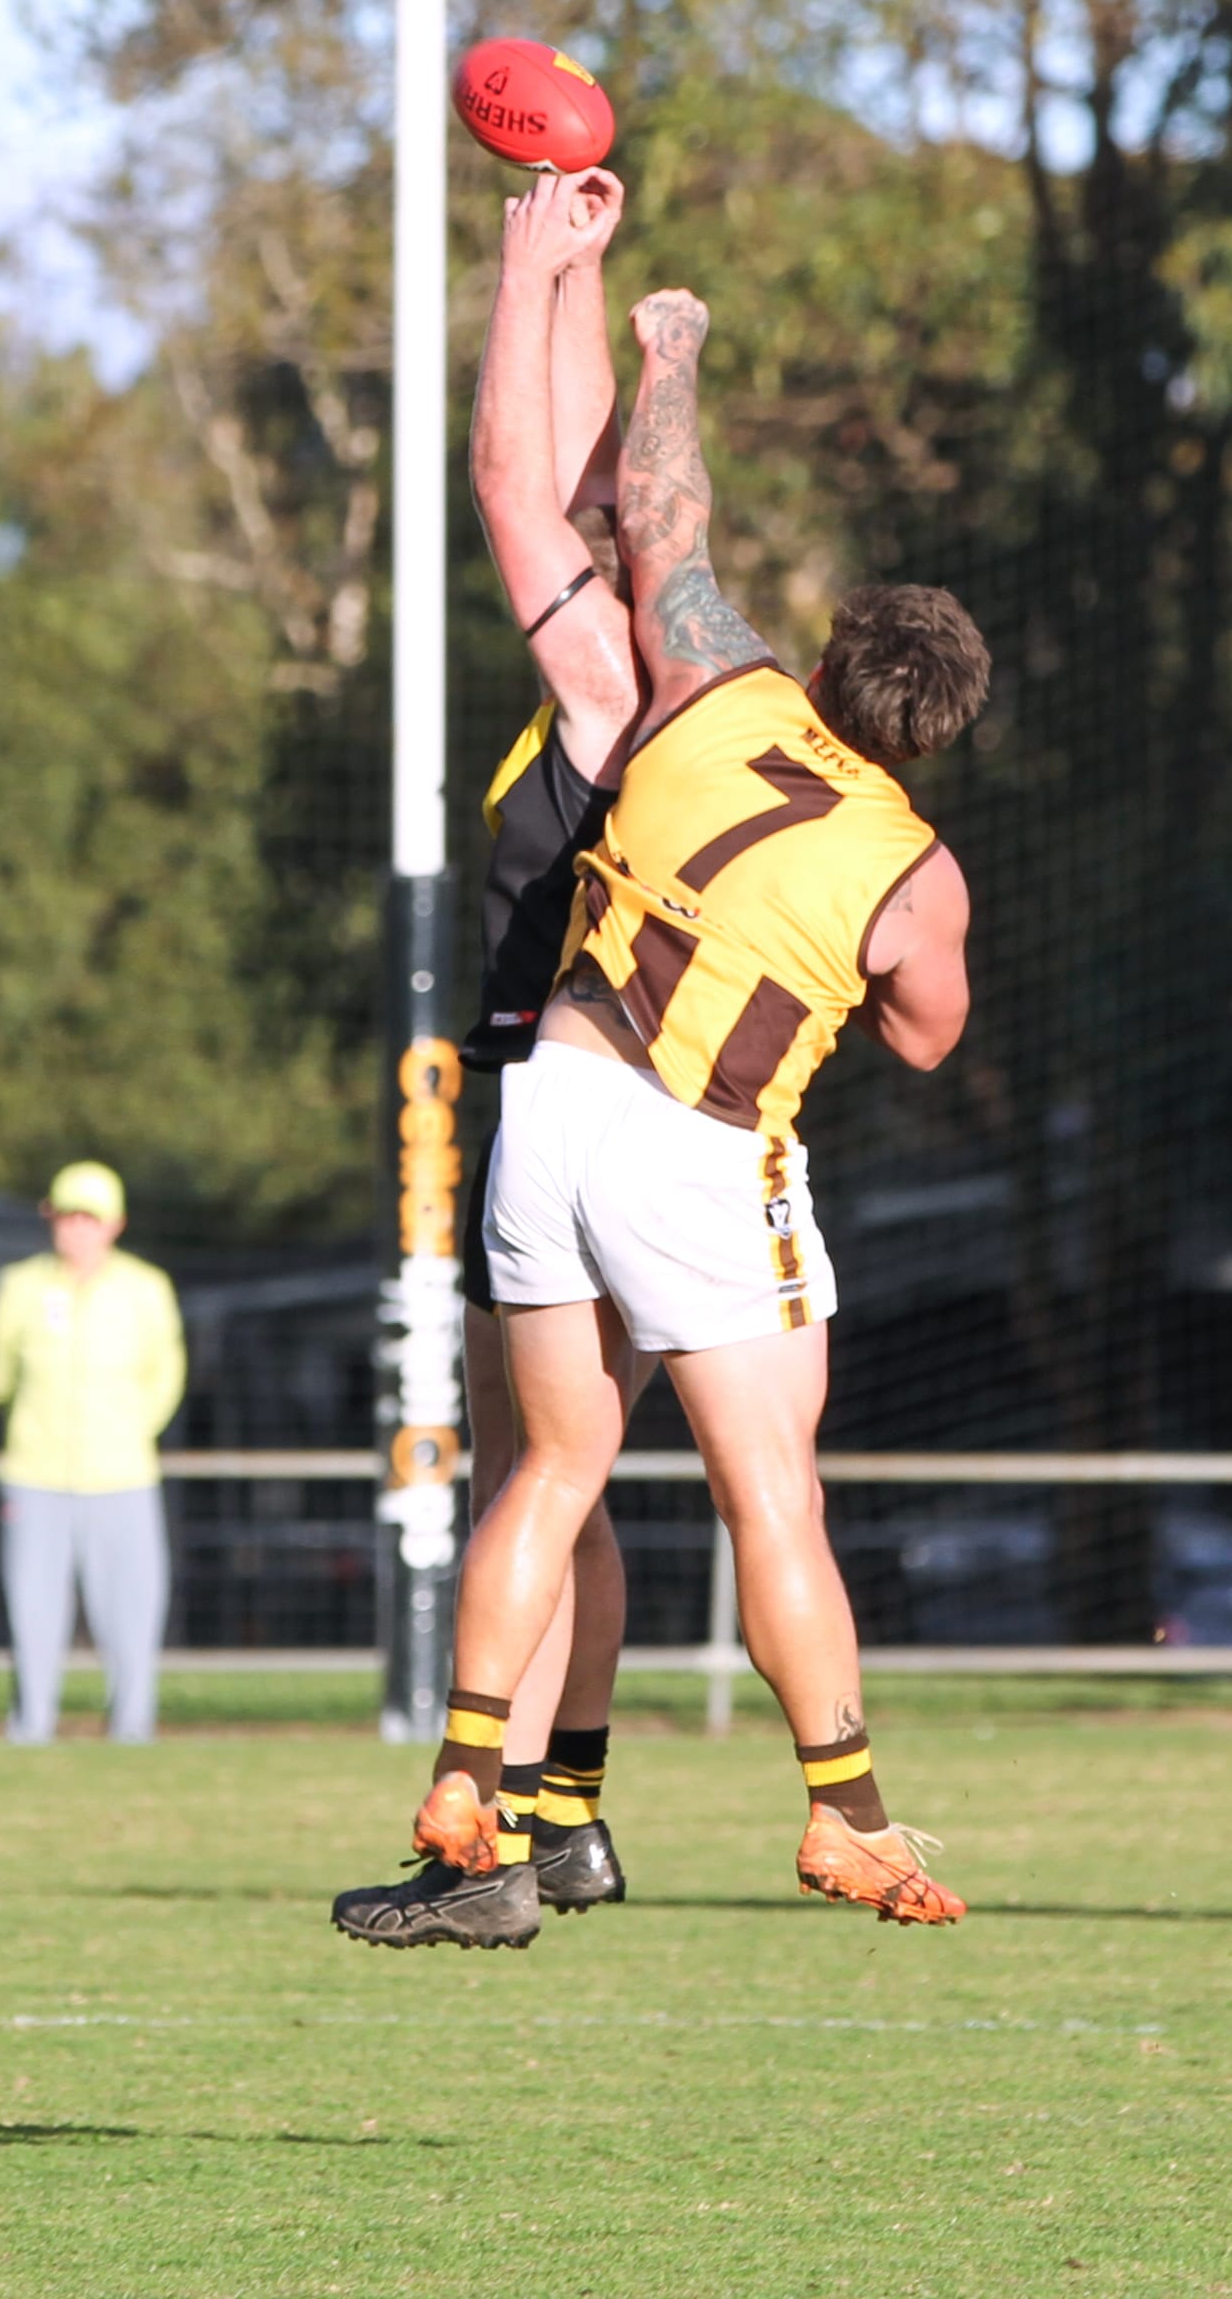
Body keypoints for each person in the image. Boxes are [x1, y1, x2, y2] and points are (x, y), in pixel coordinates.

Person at [411, 185, 991, 1928]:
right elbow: (927, 1034)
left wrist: (665, 340)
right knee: (771, 1493)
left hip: (546, 1107)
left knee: (551, 1469)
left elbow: (655, 507)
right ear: (941, 736)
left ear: (821, 655)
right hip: (692, 1139)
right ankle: (847, 1811)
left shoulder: (703, 683)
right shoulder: (915, 862)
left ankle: (470, 1777)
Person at [334, 167, 653, 1952]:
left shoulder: (609, 682)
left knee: (528, 1482)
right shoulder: (660, 666)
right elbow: (593, 474)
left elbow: (512, 485)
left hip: (557, 1100)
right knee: (572, 1472)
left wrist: (520, 268)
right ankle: (568, 1812)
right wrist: (584, 283)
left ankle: (498, 1849)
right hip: (642, 1113)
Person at [0, 1159, 186, 1745]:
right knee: (33, 1621)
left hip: (123, 1478)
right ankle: (29, 1735)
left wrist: (127, 1432)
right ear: (49, 1217)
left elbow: (165, 1376)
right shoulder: (18, 1286)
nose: (78, 1230)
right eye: (67, 1216)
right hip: (34, 1476)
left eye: (90, 1218)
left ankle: (132, 1739)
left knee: (131, 1623)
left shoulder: (146, 1289)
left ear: (115, 1223)